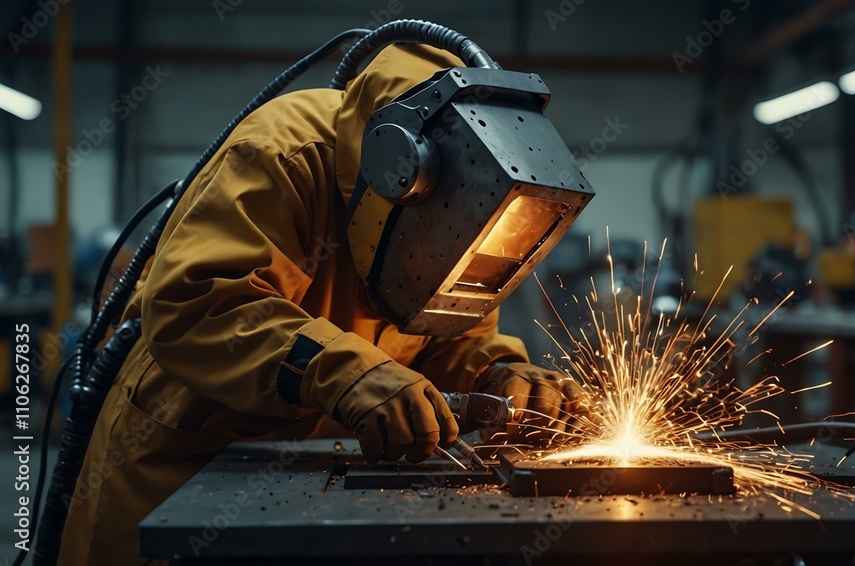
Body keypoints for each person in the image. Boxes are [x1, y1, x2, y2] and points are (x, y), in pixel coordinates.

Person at [59, 43, 587, 565]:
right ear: (402, 173)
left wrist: (497, 372)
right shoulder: (281, 153)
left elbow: (450, 335)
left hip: (317, 477)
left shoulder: (469, 201)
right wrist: (346, 373)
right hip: (187, 462)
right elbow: (200, 304)